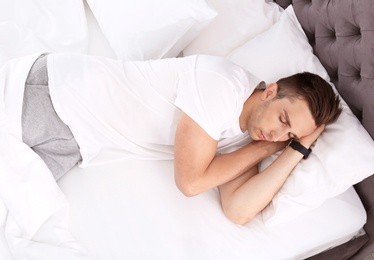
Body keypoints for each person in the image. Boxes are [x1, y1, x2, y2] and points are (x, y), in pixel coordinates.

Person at [17, 53, 341, 224]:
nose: (276, 134)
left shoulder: (247, 142)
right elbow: (189, 183)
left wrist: (297, 149)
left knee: (10, 202)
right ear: (271, 91)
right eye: (283, 120)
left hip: (79, 141)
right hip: (63, 95)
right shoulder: (221, 84)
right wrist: (268, 147)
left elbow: (238, 210)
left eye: (289, 134)